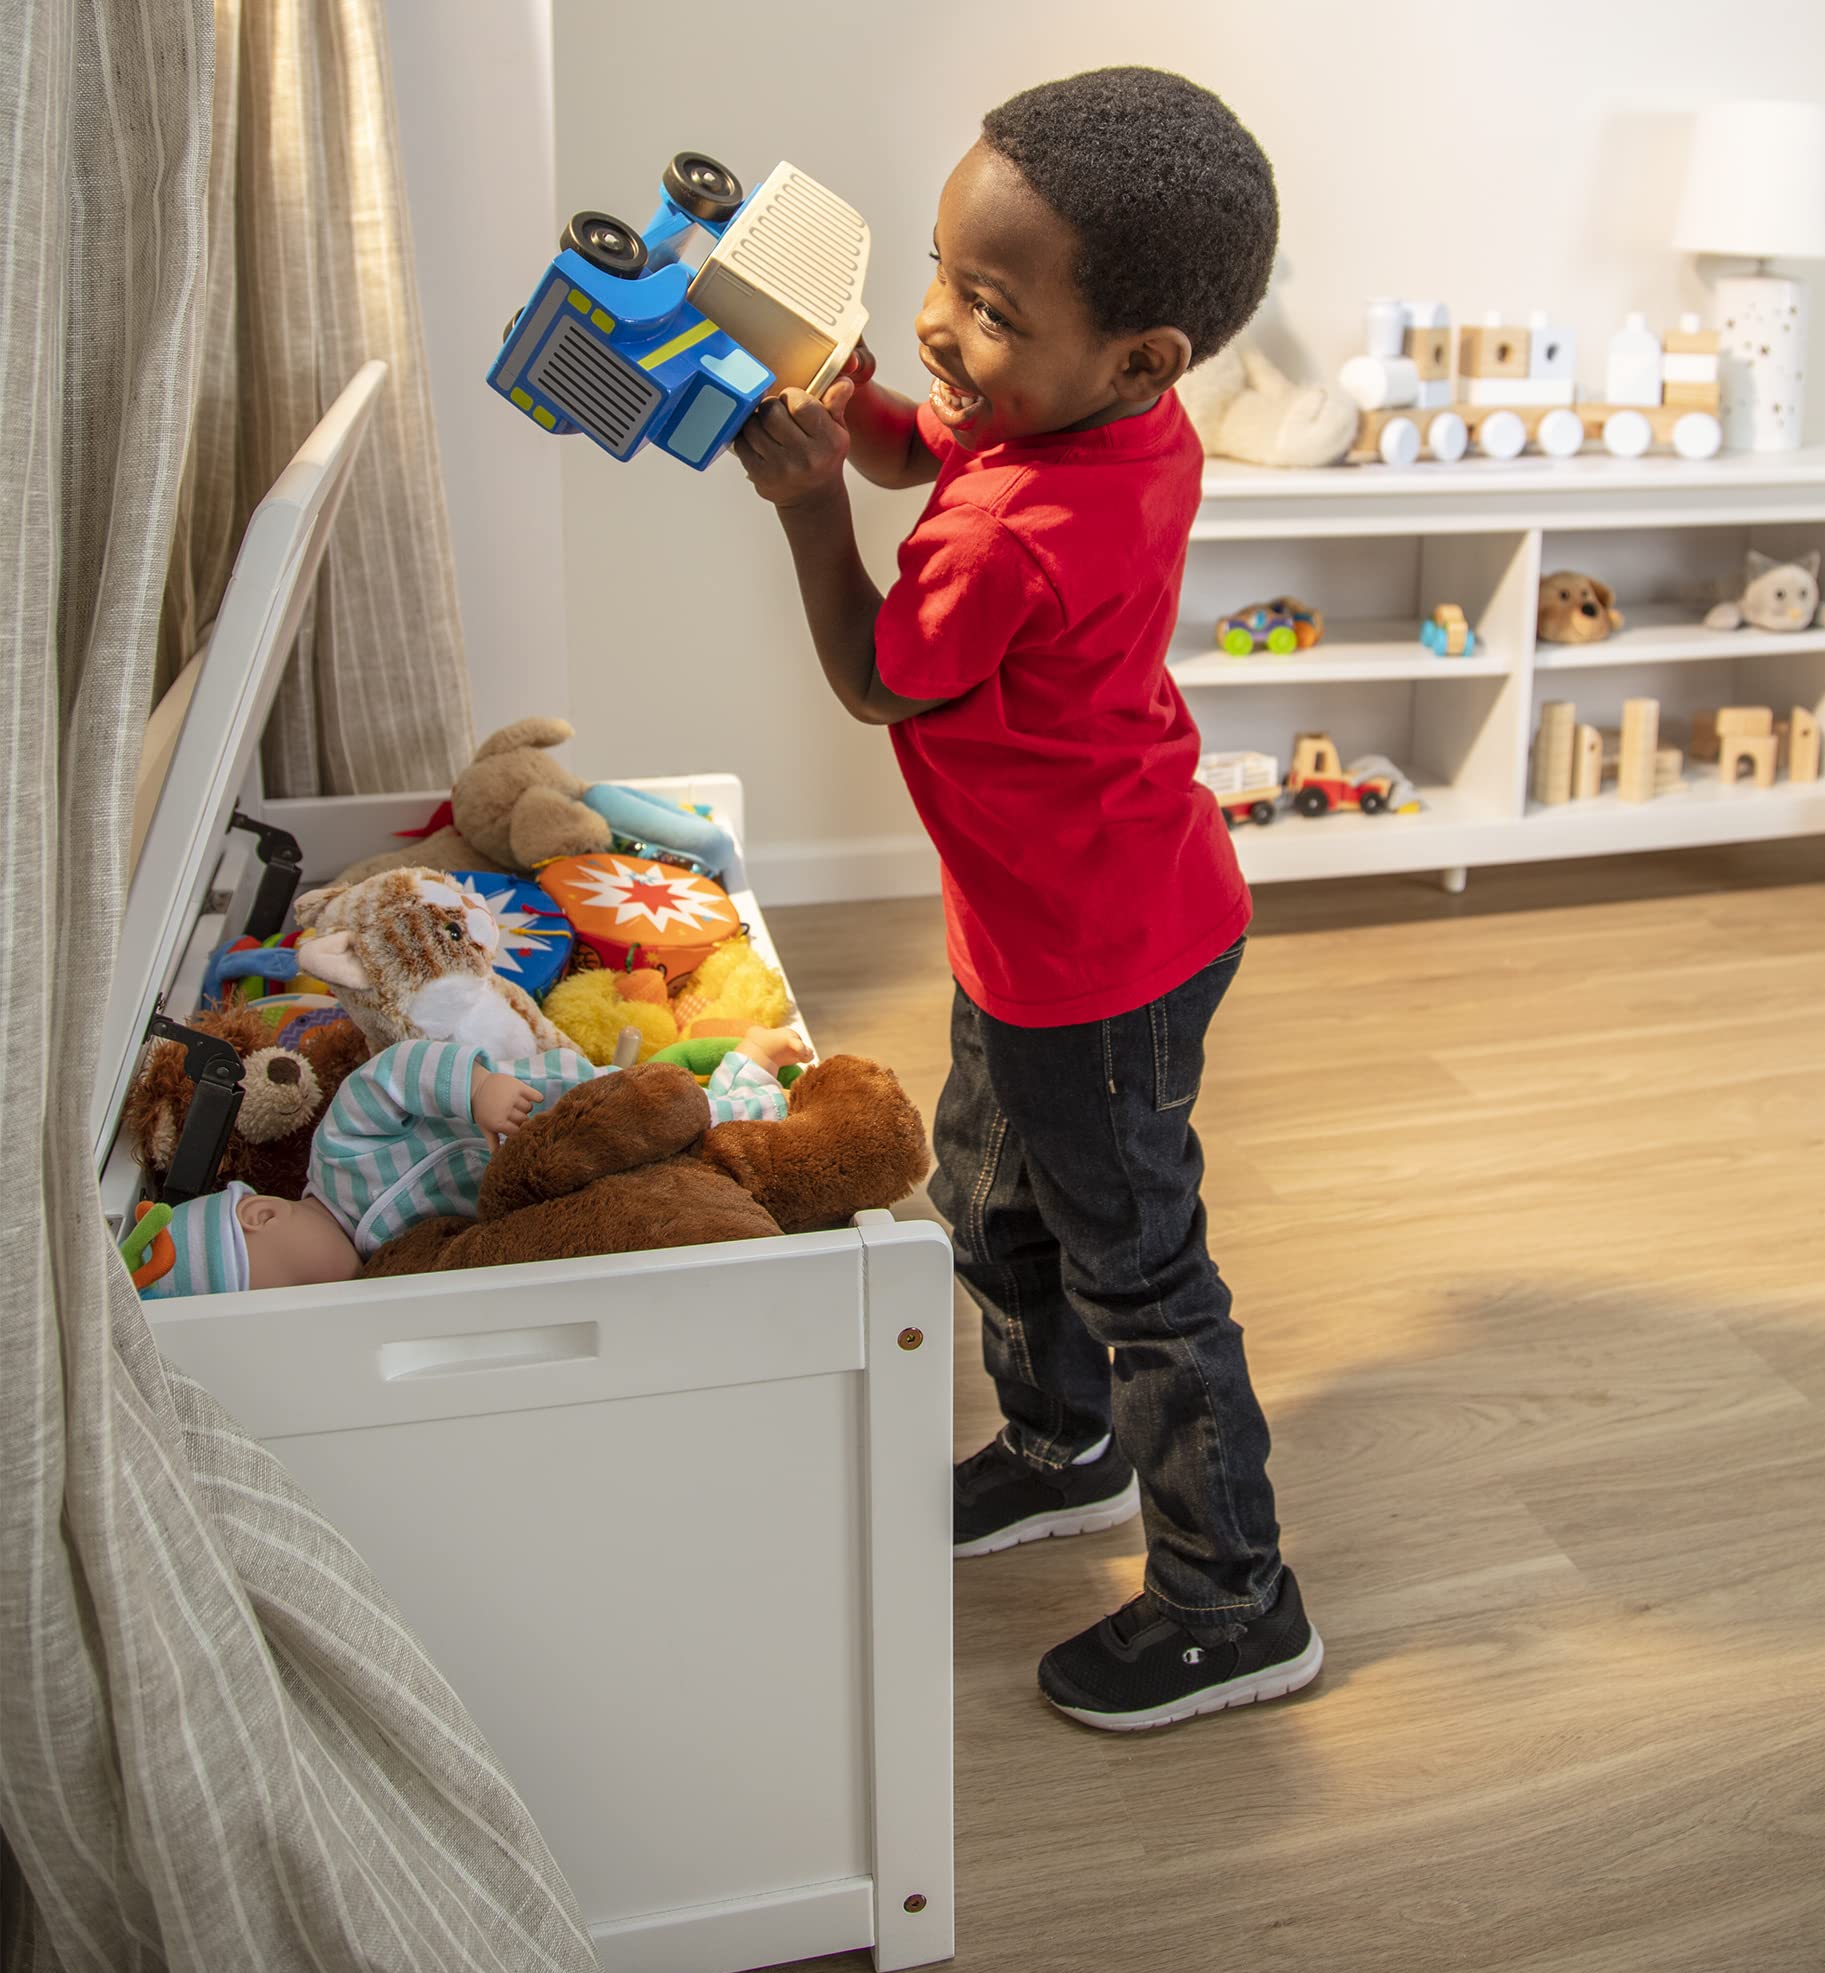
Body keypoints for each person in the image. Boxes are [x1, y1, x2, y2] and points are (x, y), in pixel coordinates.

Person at [733, 67, 1319, 1731]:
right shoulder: (1114, 424)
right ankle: (1061, 1452)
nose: (930, 325)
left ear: (1140, 358)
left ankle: (1235, 1601)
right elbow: (943, 430)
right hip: (1053, 923)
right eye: (937, 272)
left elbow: (873, 677)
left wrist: (802, 503)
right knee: (989, 1202)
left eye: (985, 309)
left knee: (1143, 1274)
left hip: (1101, 958)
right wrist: (847, 402)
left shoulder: (1014, 544)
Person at [134, 1027, 808, 1295]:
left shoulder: (337, 1159)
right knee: (690, 1170)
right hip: (565, 1182)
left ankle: (751, 1063)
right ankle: (746, 1083)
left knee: (700, 1122)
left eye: (286, 1289)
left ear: (261, 1215)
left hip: (557, 1107)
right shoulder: (388, 1267)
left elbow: (391, 1073)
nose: (309, 1300)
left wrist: (477, 1088)